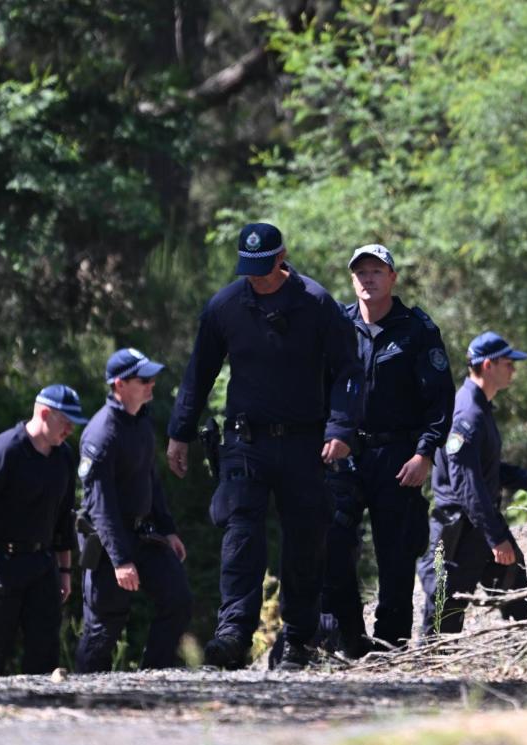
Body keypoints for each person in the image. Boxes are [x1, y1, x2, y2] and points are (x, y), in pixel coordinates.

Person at [166, 223, 363, 671]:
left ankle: (297, 639)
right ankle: (233, 634)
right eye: (248, 269)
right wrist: (179, 431)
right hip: (245, 441)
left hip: (305, 444)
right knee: (240, 535)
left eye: (263, 268)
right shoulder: (226, 306)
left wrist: (341, 429)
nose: (255, 277)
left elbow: (349, 372)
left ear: (283, 257)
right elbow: (199, 373)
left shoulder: (316, 304)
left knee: (305, 542)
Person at [321, 244, 455, 655]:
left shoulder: (416, 330)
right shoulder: (337, 326)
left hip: (397, 456)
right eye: (360, 272)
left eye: (376, 271)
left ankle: (390, 643)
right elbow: (317, 388)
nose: (368, 279)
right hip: (343, 455)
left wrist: (424, 454)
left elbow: (440, 400)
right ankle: (347, 637)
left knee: (395, 555)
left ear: (392, 278)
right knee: (332, 546)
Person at [0, 385, 86, 676]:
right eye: (65, 423)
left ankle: (39, 715)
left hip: (42, 564)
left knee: (45, 648)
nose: (69, 431)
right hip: (3, 564)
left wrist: (64, 572)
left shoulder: (63, 456)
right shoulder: (6, 450)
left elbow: (64, 517)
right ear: (45, 413)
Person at [75, 349, 191, 673]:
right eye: (144, 380)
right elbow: (101, 505)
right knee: (104, 626)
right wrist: (120, 560)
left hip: (144, 533)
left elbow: (150, 479)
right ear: (119, 385)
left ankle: (153, 676)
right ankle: (86, 695)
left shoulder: (140, 422)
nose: (152, 384)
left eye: (152, 378)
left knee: (177, 598)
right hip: (109, 541)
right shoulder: (102, 433)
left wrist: (167, 530)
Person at [418, 331, 527, 634]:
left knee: (516, 590)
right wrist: (496, 537)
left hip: (478, 523)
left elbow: (485, 468)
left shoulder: (480, 406)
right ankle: (429, 671)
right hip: (458, 530)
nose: (513, 370)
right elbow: (466, 484)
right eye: (508, 363)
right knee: (444, 614)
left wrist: (525, 480)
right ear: (487, 365)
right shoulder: (467, 414)